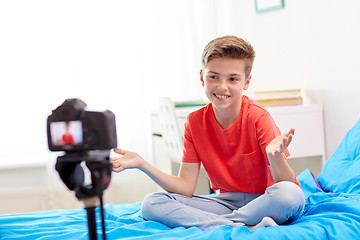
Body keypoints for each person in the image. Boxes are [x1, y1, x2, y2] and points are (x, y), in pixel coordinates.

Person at [110, 36, 305, 230]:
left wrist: (276, 156)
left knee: (291, 194)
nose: (222, 86)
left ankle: (225, 223)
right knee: (152, 203)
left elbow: (286, 184)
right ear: (202, 77)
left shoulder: (258, 116)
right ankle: (240, 226)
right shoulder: (194, 122)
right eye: (214, 77)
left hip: (268, 199)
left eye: (233, 79)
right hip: (227, 202)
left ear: (246, 82)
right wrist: (142, 164)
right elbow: (185, 187)